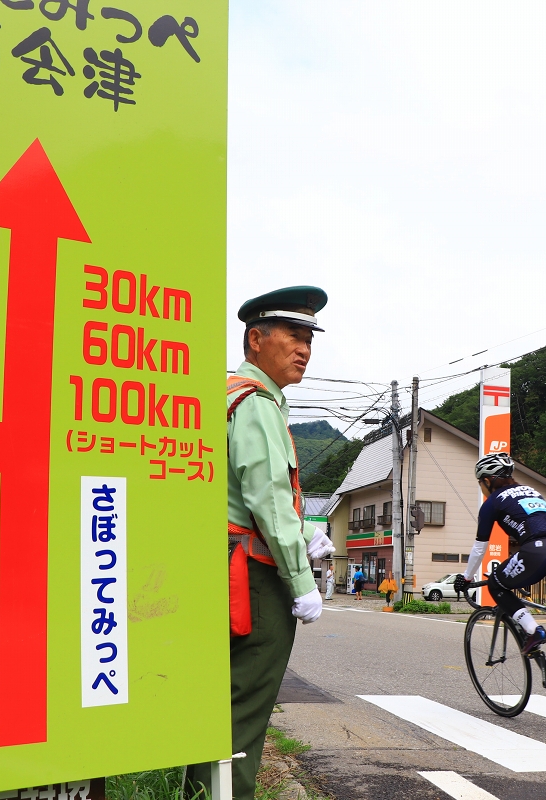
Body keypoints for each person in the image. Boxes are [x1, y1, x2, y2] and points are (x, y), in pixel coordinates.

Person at [188, 286, 335, 800]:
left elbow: (241, 494)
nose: (305, 350)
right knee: (244, 708)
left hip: (221, 561)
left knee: (216, 703)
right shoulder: (258, 403)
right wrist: (300, 579)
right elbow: (268, 498)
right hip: (251, 577)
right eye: (294, 337)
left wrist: (307, 530)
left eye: (310, 340)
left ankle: (202, 791)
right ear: (256, 339)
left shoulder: (225, 393)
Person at [455, 452, 546, 702]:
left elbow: (480, 547)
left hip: (538, 550)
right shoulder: (531, 492)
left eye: (480, 483)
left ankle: (532, 630)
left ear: (487, 480)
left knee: (496, 582)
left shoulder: (492, 502)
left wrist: (467, 578)